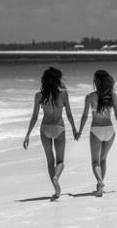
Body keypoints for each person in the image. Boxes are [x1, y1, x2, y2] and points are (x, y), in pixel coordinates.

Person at [23, 67, 78, 199]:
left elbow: (35, 117)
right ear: (57, 79)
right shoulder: (63, 94)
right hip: (59, 128)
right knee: (60, 161)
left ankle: (56, 189)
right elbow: (69, 114)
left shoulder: (39, 95)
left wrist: (27, 135)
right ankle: (56, 177)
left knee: (49, 161)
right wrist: (74, 129)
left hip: (45, 129)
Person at [77, 70, 117, 197]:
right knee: (103, 159)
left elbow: (84, 117)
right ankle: (100, 186)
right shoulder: (112, 96)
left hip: (96, 130)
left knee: (95, 162)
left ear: (96, 82)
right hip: (110, 130)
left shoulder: (89, 97)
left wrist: (79, 132)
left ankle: (100, 181)